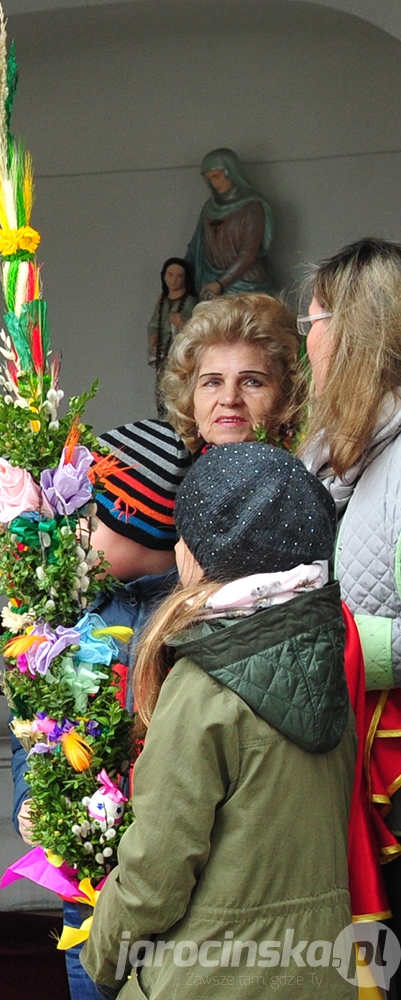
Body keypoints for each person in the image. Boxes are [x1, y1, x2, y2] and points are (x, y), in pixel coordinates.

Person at [83, 443, 353, 999]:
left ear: (210, 553)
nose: (177, 544)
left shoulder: (206, 686)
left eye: (186, 531)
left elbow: (155, 876)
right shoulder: (325, 659)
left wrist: (103, 958)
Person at [8, 419, 189, 1000]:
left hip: (160, 883)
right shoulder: (72, 610)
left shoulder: (185, 623)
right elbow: (36, 724)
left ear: (133, 521)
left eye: (88, 517)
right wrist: (29, 797)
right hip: (78, 882)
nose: (76, 533)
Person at [299, 236, 401, 935]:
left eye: (312, 323)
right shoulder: (332, 452)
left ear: (351, 333)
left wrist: (338, 639)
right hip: (347, 756)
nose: (306, 344)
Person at [159, 292, 303, 451]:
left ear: (288, 401)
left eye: (252, 382)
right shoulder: (169, 474)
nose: (229, 399)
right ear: (191, 405)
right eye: (213, 383)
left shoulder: (309, 474)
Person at [184, 148, 274, 300]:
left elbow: (248, 252)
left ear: (231, 172)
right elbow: (195, 247)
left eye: (216, 176)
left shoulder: (252, 207)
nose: (214, 183)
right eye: (209, 179)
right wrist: (180, 276)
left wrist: (220, 283)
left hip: (246, 284)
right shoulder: (210, 207)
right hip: (210, 282)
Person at [147, 258, 198, 413]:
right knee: (161, 387)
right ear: (164, 276)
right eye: (170, 275)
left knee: (178, 389)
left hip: (179, 353)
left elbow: (195, 328)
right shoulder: (162, 299)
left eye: (179, 276)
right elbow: (154, 321)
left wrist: (181, 324)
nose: (174, 280)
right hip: (162, 352)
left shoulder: (190, 302)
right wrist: (154, 334)